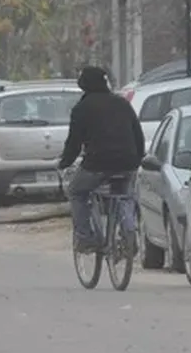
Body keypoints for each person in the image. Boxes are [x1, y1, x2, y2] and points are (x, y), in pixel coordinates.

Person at [58, 66, 144, 254]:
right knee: (126, 195)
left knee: (76, 192)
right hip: (127, 163)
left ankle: (85, 238)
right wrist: (137, 159)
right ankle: (129, 230)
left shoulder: (82, 108)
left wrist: (64, 163)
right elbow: (138, 134)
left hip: (97, 164)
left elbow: (74, 142)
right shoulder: (122, 104)